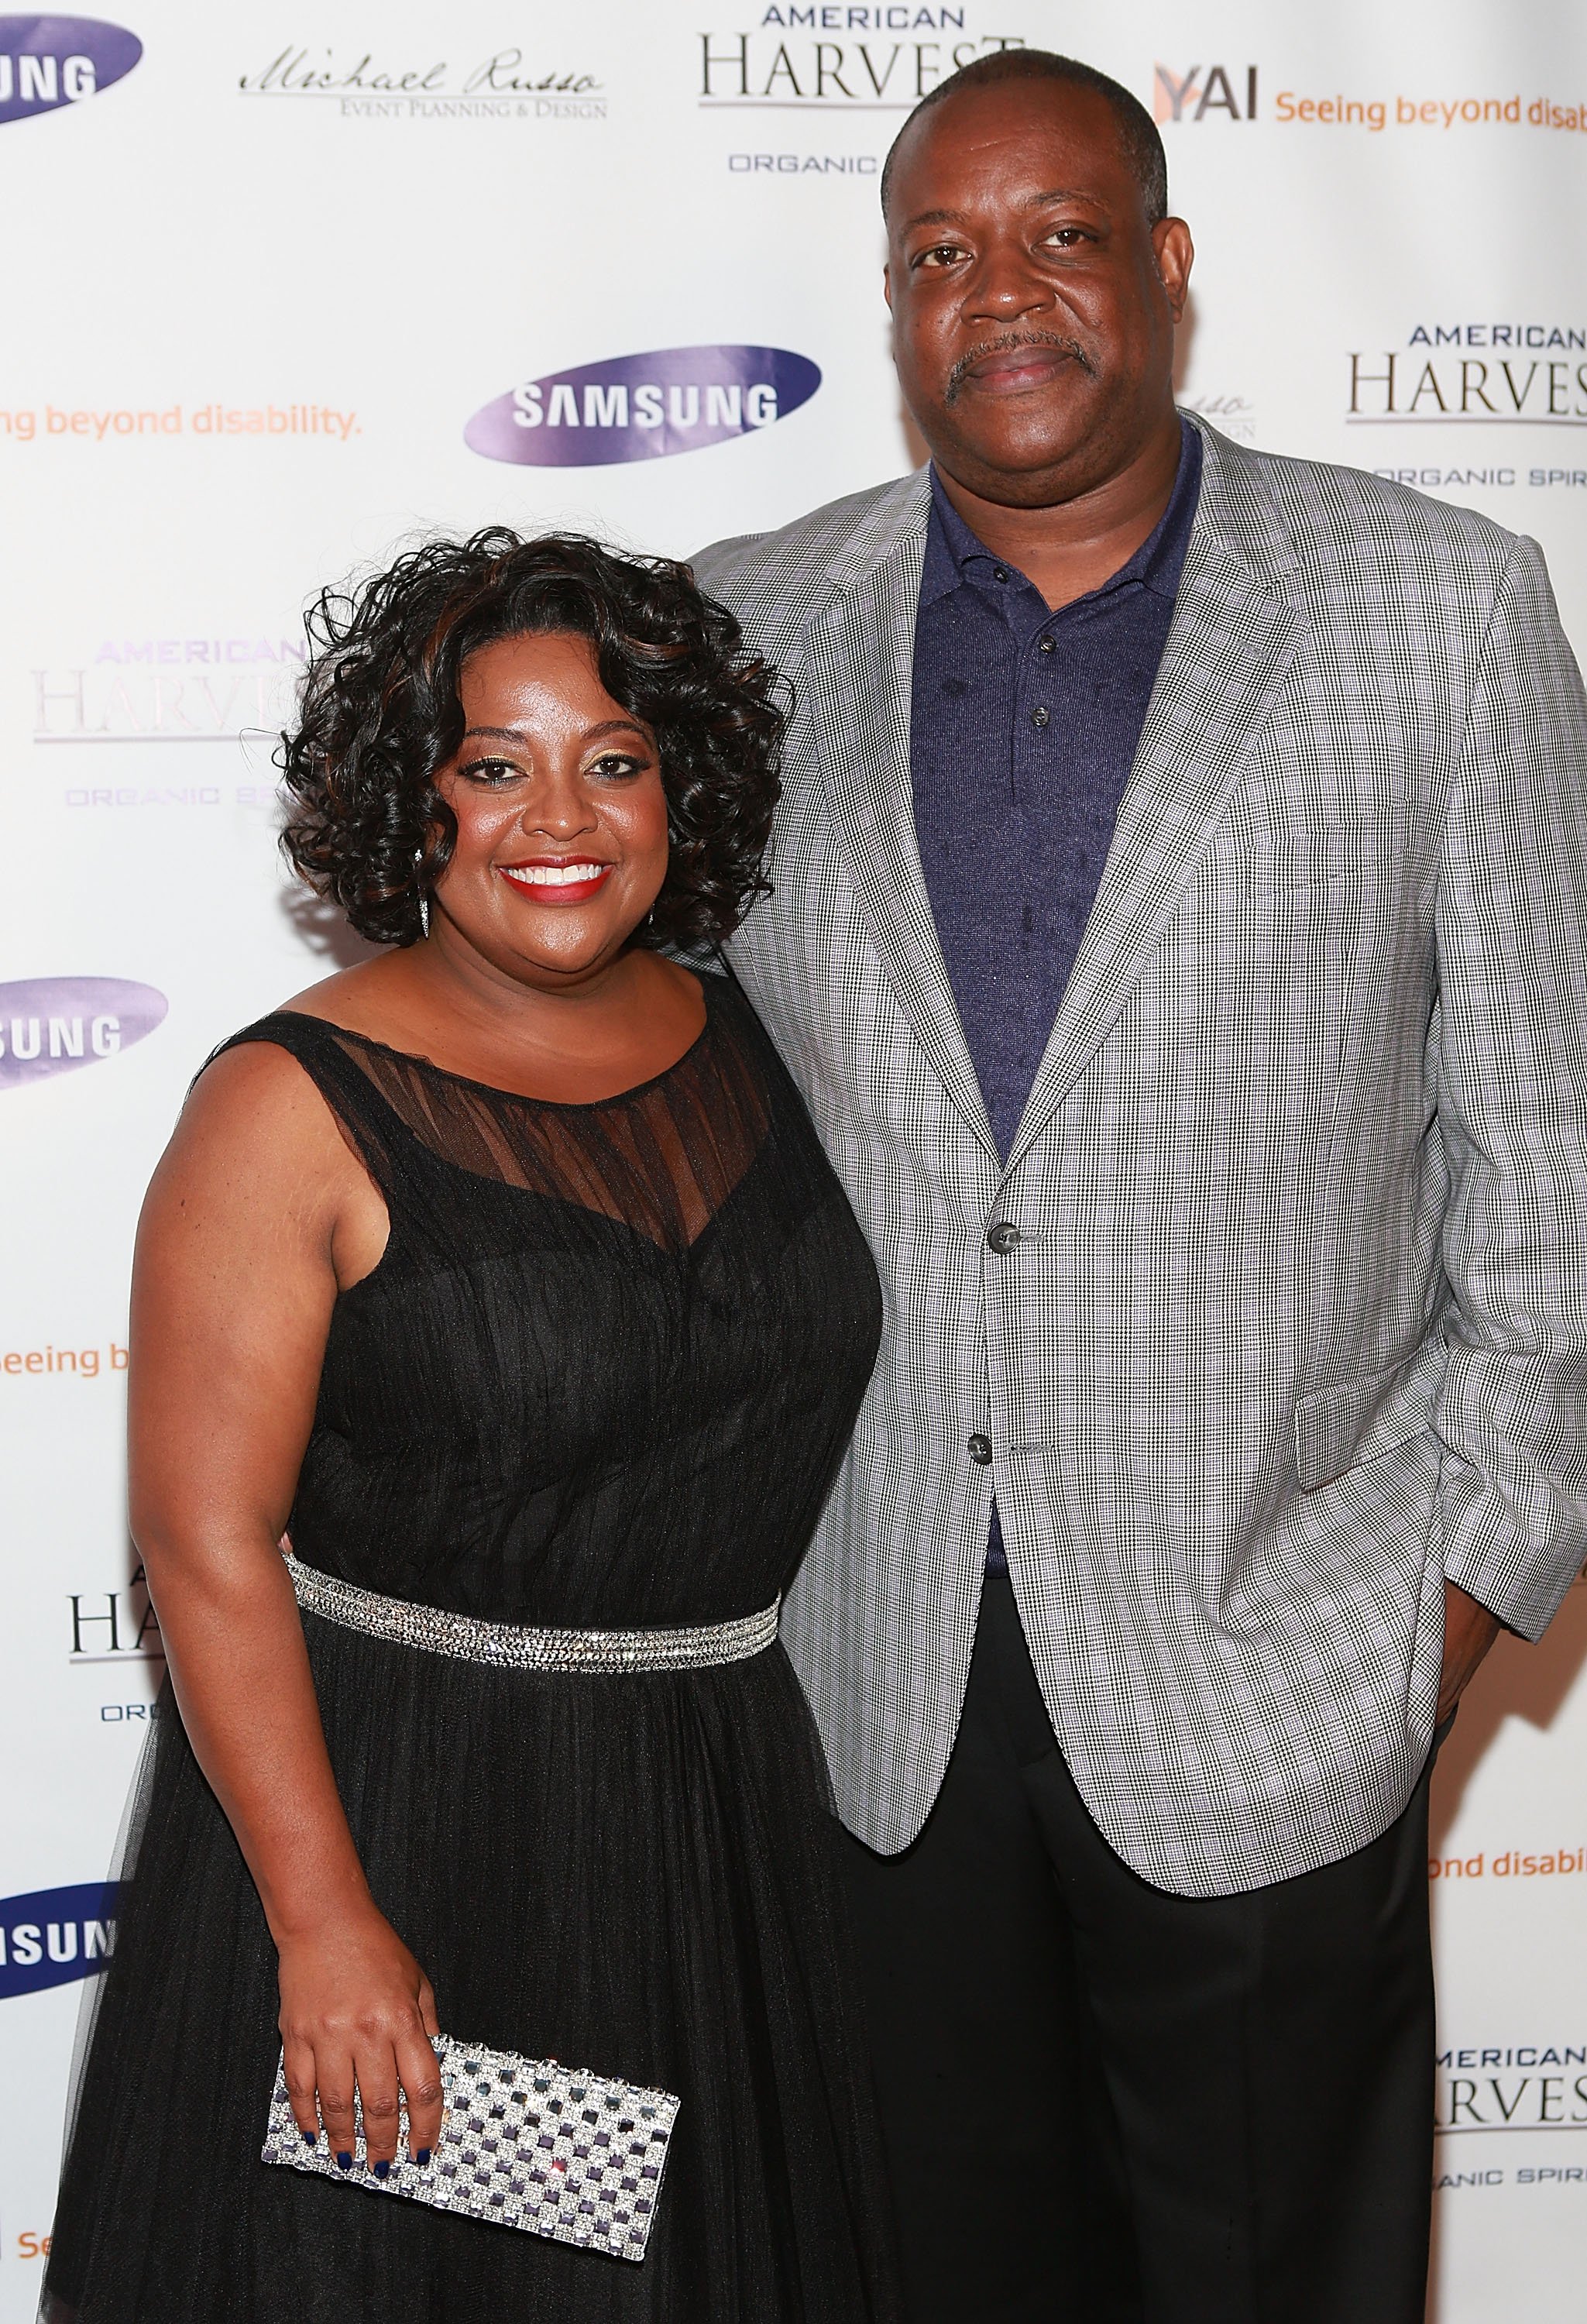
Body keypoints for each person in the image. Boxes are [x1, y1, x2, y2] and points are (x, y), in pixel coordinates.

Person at [692, 47, 1587, 2324]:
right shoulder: (738, 635)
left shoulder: (1439, 611)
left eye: (1062, 234)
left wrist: (1440, 1611)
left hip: (1273, 1662)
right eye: (940, 253)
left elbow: (1556, 1177)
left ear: (1166, 271)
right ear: (893, 306)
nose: (1003, 294)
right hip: (869, 1677)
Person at [42, 532, 898, 2324]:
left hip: (708, 1832)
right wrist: (321, 1921)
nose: (555, 817)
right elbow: (204, 1543)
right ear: (407, 805)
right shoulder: (287, 1105)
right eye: (490, 768)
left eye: (612, 760)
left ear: (683, 786)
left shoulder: (763, 1037)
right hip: (405, 1833)